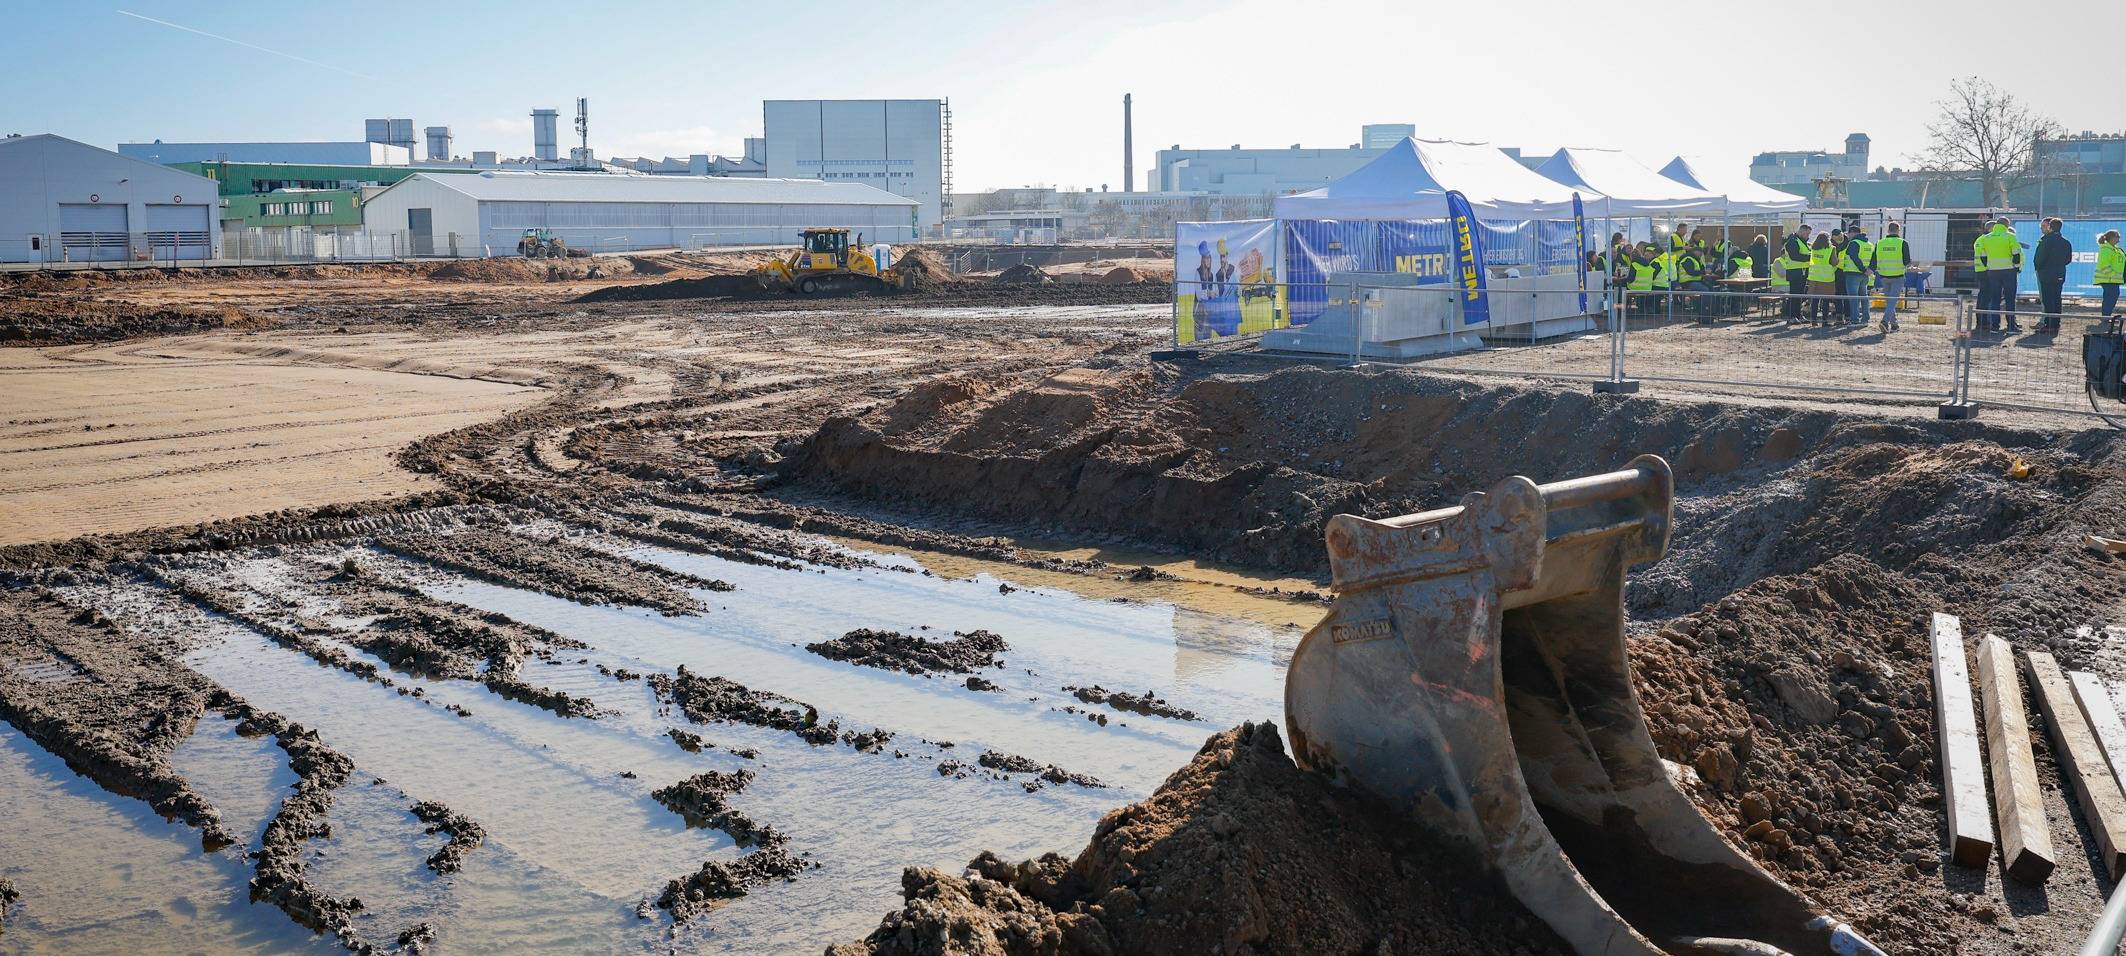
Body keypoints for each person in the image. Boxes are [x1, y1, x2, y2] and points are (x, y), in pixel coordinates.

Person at [1975, 219, 2023, 334]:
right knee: (2010, 299)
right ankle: (2011, 327)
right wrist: (2016, 267)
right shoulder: (2010, 236)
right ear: (2007, 225)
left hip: (1993, 272)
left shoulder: (1986, 238)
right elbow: (2016, 254)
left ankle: (1994, 327)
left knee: (1995, 299)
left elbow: (1983, 256)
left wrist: (1989, 266)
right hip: (2008, 271)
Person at [2033, 217, 2071, 334]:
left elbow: (2039, 259)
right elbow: (2068, 259)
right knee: (2057, 299)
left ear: (2050, 227)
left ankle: (2049, 325)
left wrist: (2040, 269)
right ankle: (2056, 324)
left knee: (2048, 300)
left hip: (2046, 274)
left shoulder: (2045, 241)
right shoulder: (2065, 242)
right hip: (2060, 273)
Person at [1870, 222, 1910, 332]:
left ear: (1888, 230)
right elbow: (1906, 261)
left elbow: (1874, 259)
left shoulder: (1879, 243)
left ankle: (1894, 325)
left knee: (1889, 301)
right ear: (1898, 230)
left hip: (1884, 276)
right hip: (1898, 276)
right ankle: (1884, 321)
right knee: (1892, 301)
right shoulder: (1903, 243)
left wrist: (1870, 270)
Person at [1839, 226, 1873, 324]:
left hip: (1853, 274)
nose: (1848, 236)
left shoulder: (1854, 243)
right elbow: (1874, 258)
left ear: (1853, 232)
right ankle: (1865, 319)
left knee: (1853, 298)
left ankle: (1855, 320)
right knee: (1864, 297)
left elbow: (1854, 257)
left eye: (1849, 233)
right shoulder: (1869, 244)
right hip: (1865, 275)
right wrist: (1869, 270)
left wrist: (1863, 269)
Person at [1807, 232, 1838, 325]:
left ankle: (1813, 321)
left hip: (1814, 277)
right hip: (1826, 278)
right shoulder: (1831, 248)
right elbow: (1834, 262)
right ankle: (1824, 321)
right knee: (1825, 301)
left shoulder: (1813, 248)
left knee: (1815, 300)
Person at [1783, 224, 1813, 321]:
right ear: (1801, 231)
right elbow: (1795, 256)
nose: (1808, 236)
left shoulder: (1801, 241)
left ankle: (1798, 315)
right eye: (1807, 234)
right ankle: (1792, 316)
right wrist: (1810, 257)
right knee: (1794, 294)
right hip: (1794, 272)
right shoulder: (1793, 241)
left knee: (1800, 295)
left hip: (1802, 271)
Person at [2097, 229, 2124, 322]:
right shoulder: (2106, 249)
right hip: (2108, 278)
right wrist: (2113, 274)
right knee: (2110, 297)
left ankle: (2106, 316)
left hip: (2113, 279)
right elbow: (2104, 265)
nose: (2119, 238)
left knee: (2111, 297)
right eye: (2118, 236)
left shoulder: (2115, 249)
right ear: (2112, 238)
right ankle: (2106, 317)